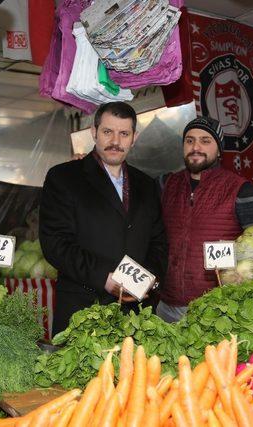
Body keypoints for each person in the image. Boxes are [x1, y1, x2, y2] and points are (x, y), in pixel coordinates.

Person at [39, 102, 168, 335]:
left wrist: (148, 280)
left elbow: (159, 243)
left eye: (124, 134)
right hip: (83, 312)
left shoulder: (146, 184)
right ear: (94, 132)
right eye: (108, 132)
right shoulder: (64, 178)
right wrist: (104, 278)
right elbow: (55, 243)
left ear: (134, 138)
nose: (116, 141)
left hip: (137, 317)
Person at [157, 116, 253, 322]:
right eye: (190, 140)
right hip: (166, 307)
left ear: (219, 150)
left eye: (205, 141)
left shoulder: (242, 190)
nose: (196, 147)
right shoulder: (165, 185)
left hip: (218, 312)